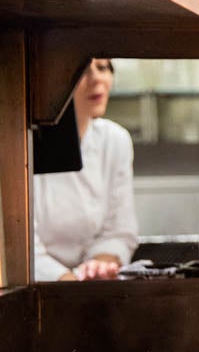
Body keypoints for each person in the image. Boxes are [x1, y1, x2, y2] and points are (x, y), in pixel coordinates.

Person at [33, 58, 138, 280]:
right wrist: (68, 282)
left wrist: (99, 265)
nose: (96, 79)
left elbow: (119, 231)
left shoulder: (115, 141)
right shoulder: (21, 146)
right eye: (81, 70)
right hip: (38, 284)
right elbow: (18, 246)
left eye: (102, 67)